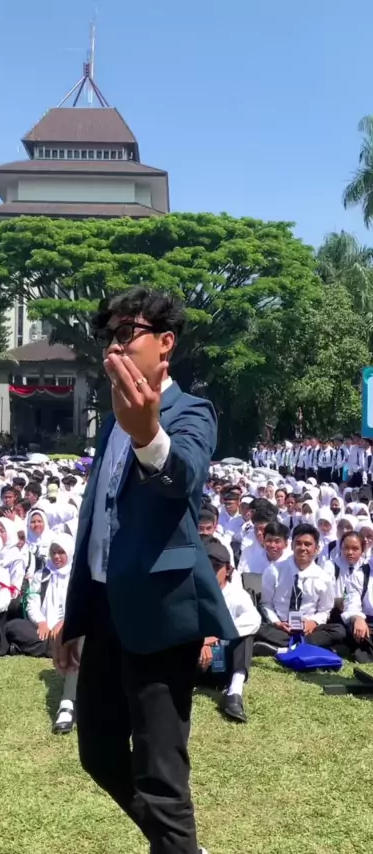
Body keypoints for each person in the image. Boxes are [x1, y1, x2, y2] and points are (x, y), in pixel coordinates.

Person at [55, 287, 236, 854]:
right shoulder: (111, 422)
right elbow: (97, 526)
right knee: (97, 752)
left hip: (161, 615)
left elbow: (183, 478)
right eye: (108, 335)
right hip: (106, 611)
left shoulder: (191, 412)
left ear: (165, 343)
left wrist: (147, 434)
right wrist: (77, 619)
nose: (114, 345)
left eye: (126, 332)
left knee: (160, 775)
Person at [6, 533, 78, 734]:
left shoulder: (76, 576)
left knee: (76, 638)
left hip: (69, 628)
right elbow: (32, 603)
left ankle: (54, 648)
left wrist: (63, 623)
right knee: (15, 626)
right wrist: (42, 622)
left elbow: (77, 605)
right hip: (43, 630)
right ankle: (53, 648)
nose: (56, 557)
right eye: (53, 552)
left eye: (61, 552)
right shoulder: (42, 574)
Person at [197, 539, 261, 724]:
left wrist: (216, 635)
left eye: (216, 567)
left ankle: (234, 692)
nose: (211, 572)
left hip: (223, 660)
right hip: (196, 661)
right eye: (207, 567)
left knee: (247, 636)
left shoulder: (237, 594)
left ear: (228, 570)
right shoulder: (192, 591)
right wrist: (200, 641)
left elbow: (254, 620)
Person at [255, 524, 344, 655]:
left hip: (307, 629)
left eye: (308, 544)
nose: (302, 548)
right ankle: (305, 646)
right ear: (291, 546)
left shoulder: (324, 577)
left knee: (338, 630)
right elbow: (266, 604)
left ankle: (284, 647)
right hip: (280, 627)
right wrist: (277, 622)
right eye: (298, 543)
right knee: (256, 626)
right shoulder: (274, 570)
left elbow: (325, 610)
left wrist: (313, 622)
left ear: (317, 548)